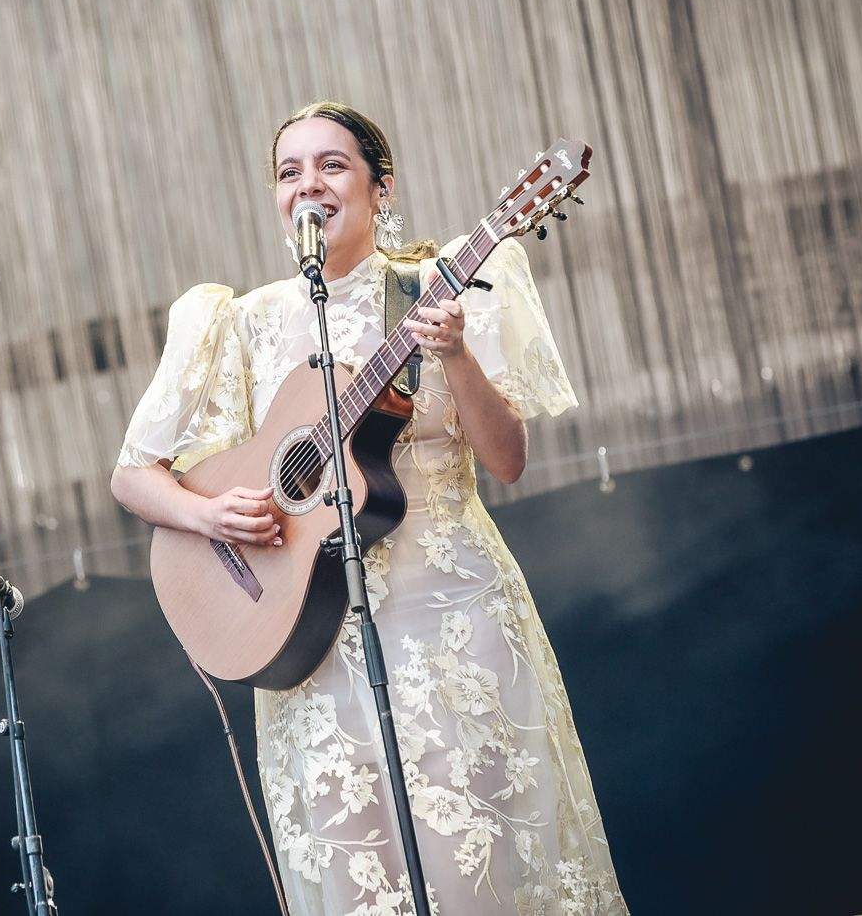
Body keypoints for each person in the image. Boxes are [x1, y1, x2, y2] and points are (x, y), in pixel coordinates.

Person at [111, 102, 626, 915]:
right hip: (306, 636)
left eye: (332, 165)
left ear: (381, 188)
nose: (307, 185)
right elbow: (132, 475)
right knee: (361, 882)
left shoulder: (440, 286)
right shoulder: (240, 323)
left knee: (477, 867)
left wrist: (454, 353)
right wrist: (211, 516)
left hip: (450, 625)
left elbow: (507, 459)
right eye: (289, 172)